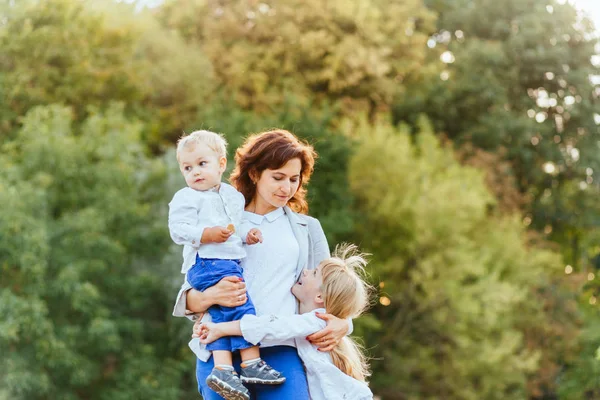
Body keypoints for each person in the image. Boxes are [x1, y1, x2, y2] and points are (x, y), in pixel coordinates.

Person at [172, 129, 351, 400]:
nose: (286, 188)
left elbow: (331, 289)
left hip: (281, 348)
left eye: (294, 179)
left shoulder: (306, 228)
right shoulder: (217, 222)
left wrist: (345, 324)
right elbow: (189, 294)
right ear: (254, 174)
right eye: (277, 177)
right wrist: (209, 296)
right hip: (221, 351)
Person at [169, 130, 285, 400]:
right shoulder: (187, 197)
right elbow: (178, 230)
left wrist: (248, 235)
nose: (195, 172)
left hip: (226, 260)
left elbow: (238, 226)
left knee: (222, 313)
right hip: (208, 262)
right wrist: (206, 234)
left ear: (221, 164)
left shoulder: (232, 196)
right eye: (187, 167)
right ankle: (250, 362)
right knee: (242, 305)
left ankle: (223, 368)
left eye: (202, 164)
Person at [195, 243, 374, 400]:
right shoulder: (310, 317)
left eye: (313, 273)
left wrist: (220, 329)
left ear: (320, 296)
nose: (305, 271)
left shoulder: (316, 320)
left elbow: (272, 327)